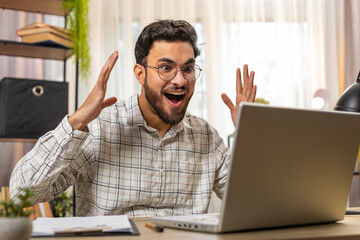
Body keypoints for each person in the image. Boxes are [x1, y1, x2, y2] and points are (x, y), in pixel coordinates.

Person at [10, 19, 256, 217]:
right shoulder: (99, 129)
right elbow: (21, 194)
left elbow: (250, 200)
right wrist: (77, 121)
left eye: (188, 69)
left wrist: (250, 134)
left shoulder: (206, 136)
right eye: (166, 68)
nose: (180, 80)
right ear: (140, 73)